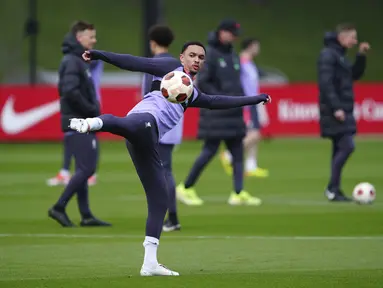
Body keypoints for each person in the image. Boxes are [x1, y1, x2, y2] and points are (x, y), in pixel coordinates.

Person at [69, 42, 271, 276]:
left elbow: (217, 102)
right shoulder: (170, 67)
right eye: (192, 55)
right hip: (143, 120)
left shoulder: (192, 92)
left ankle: (150, 263)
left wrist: (254, 99)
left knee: (160, 198)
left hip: (148, 140)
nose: (197, 60)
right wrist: (99, 54)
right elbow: (135, 62)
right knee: (130, 124)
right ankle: (93, 123)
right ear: (182, 57)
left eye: (201, 57)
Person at [177, 19, 262, 206]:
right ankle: (185, 187)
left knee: (238, 152)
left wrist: (238, 101)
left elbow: (237, 82)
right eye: (231, 33)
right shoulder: (210, 55)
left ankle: (238, 192)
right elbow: (205, 82)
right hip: (217, 112)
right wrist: (221, 100)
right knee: (209, 151)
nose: (233, 37)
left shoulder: (232, 54)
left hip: (234, 111)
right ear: (222, 32)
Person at [48, 21, 111, 227]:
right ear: (79, 38)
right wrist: (91, 109)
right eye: (91, 36)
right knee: (87, 168)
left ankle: (85, 215)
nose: (94, 40)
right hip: (78, 121)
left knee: (84, 167)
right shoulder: (72, 61)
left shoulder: (78, 60)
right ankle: (59, 207)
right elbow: (70, 91)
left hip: (81, 120)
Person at [318, 23, 370, 201]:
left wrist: (361, 56)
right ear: (341, 37)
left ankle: (334, 189)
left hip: (343, 108)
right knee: (348, 146)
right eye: (352, 38)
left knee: (339, 148)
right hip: (335, 109)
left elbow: (353, 75)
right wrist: (336, 107)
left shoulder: (339, 56)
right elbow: (326, 84)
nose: (355, 41)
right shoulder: (328, 55)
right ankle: (332, 188)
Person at [141, 24, 181, 232]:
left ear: (152, 43)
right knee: (166, 169)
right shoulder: (177, 65)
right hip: (174, 123)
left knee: (162, 172)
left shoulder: (153, 64)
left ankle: (170, 217)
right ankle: (170, 216)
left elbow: (147, 94)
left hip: (156, 123)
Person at [46, 59, 103, 187]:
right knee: (70, 134)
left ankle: (90, 173)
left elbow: (90, 63)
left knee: (89, 134)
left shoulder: (91, 58)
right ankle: (66, 171)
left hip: (90, 101)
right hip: (80, 100)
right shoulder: (77, 59)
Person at [220, 37, 269, 178]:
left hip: (255, 101)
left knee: (256, 134)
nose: (258, 49)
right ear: (251, 46)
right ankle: (229, 155)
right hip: (246, 102)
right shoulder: (241, 61)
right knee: (253, 134)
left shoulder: (250, 63)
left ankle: (251, 165)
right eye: (257, 46)